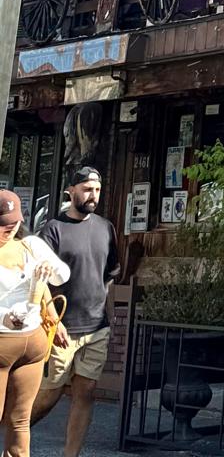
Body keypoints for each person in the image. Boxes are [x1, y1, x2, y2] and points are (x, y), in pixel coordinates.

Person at [31, 167, 120, 457]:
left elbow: (110, 274)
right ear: (71, 191)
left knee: (87, 392)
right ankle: (15, 434)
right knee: (50, 393)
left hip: (97, 327)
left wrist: (110, 313)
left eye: (97, 189)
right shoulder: (53, 229)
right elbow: (40, 281)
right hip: (62, 327)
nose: (93, 195)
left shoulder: (106, 228)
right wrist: (54, 324)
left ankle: (71, 454)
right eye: (86, 189)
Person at [0, 191, 70, 457]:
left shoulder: (31, 244)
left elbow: (59, 278)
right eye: (4, 222)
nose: (10, 227)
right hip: (2, 339)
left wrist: (46, 270)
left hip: (32, 342)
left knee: (20, 419)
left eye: (14, 221)